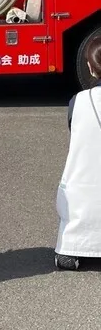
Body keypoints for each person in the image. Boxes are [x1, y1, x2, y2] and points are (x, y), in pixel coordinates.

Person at [54, 36, 101, 271]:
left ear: (91, 69)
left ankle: (71, 251)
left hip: (85, 185)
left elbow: (75, 129)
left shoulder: (79, 101)